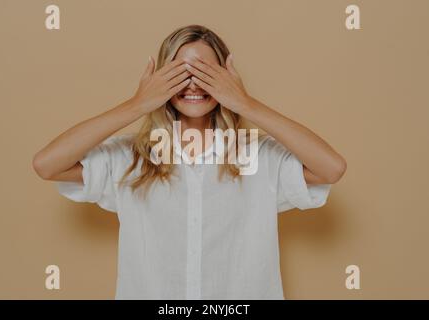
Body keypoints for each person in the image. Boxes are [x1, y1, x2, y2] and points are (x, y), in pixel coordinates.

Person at [32, 24, 347, 300]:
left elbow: (331, 168)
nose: (193, 84)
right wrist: (136, 105)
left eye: (205, 73)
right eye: (180, 73)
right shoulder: (131, 156)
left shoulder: (256, 154)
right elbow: (47, 165)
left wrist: (245, 103)